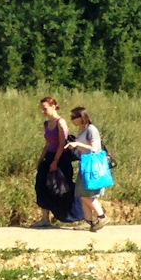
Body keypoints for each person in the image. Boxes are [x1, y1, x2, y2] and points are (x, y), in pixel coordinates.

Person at [33, 96, 84, 227]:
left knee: (63, 189)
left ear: (53, 106)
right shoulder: (46, 124)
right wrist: (40, 160)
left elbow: (62, 144)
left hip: (61, 159)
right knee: (41, 185)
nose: (43, 112)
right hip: (48, 156)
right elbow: (47, 144)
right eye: (42, 109)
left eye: (45, 109)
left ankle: (82, 214)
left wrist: (55, 161)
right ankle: (45, 219)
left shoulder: (60, 123)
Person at [64, 105, 110, 231]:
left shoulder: (91, 129)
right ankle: (88, 221)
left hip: (92, 166)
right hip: (84, 164)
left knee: (87, 195)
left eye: (74, 117)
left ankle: (102, 216)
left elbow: (94, 148)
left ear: (81, 117)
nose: (72, 119)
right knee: (81, 193)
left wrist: (77, 143)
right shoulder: (82, 129)